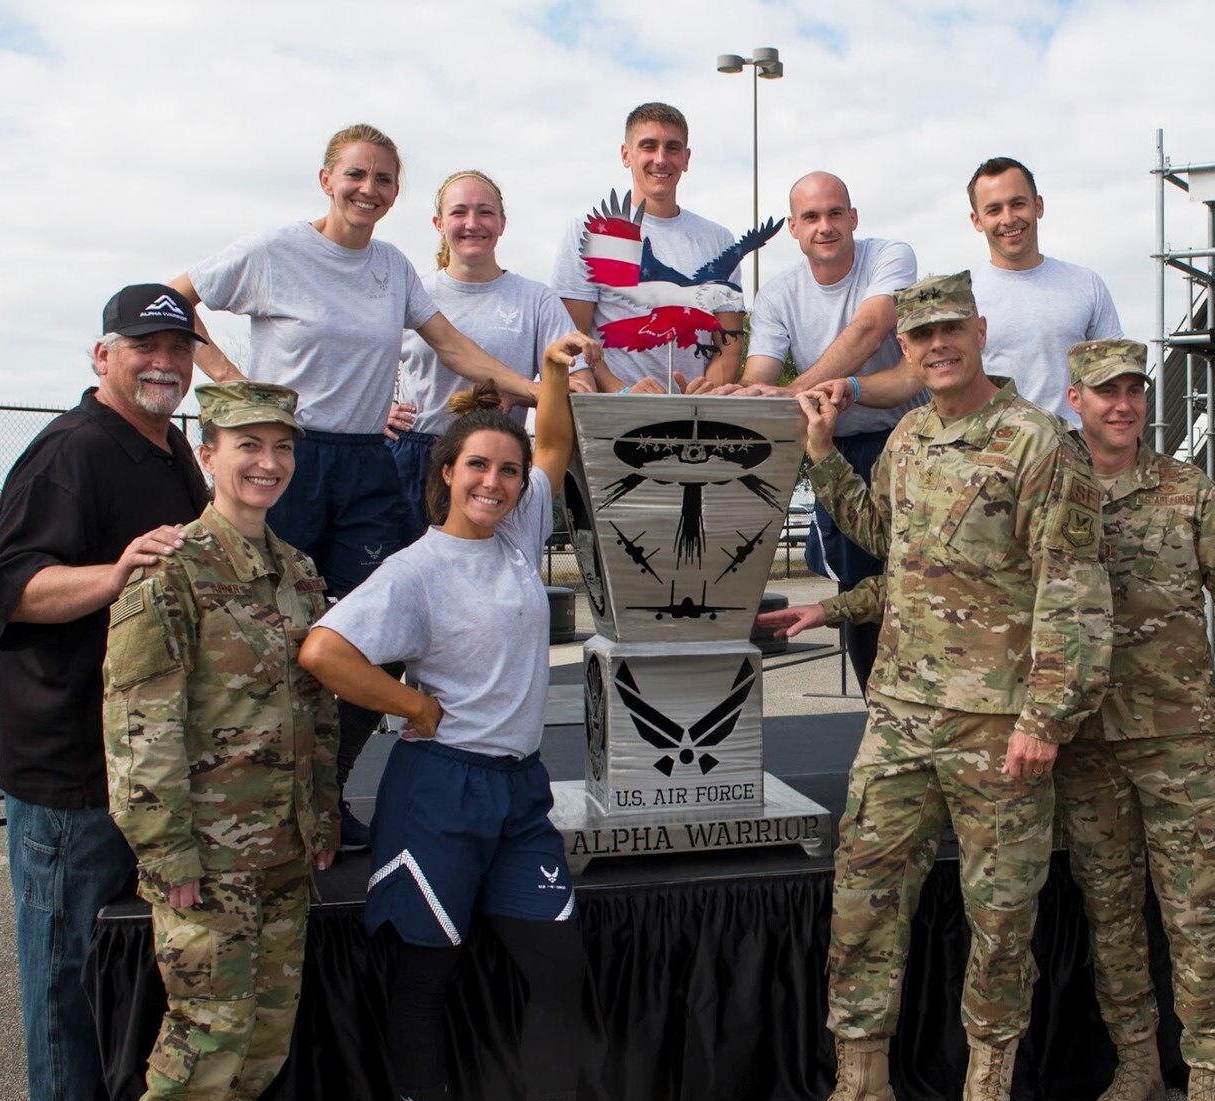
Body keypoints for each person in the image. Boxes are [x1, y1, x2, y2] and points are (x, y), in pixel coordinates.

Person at [756, 273, 1111, 1101]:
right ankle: (862, 1090)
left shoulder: (1039, 444)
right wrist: (822, 453)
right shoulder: (910, 434)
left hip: (1000, 729)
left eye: (951, 330)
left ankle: (985, 1092)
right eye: (920, 338)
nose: (937, 346)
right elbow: (892, 545)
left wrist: (1046, 716)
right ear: (903, 351)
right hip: (901, 718)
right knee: (862, 902)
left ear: (981, 331)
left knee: (1000, 914)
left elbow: (1072, 593)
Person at [298, 332, 652, 1101]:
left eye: (505, 468)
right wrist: (409, 709)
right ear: (445, 473)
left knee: (557, 967)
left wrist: (558, 373)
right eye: (477, 467)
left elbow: (556, 447)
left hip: (517, 791)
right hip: (437, 791)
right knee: (426, 979)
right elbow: (323, 650)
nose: (496, 481)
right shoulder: (415, 569)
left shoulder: (520, 528)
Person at [167, 124, 540, 854]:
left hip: (368, 463)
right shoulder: (274, 250)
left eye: (383, 180)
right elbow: (171, 300)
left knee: (377, 640)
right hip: (293, 460)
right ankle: (247, 803)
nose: (368, 190)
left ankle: (325, 792)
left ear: (397, 193)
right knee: (263, 638)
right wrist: (235, 384)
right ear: (326, 179)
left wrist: (539, 388)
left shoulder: (393, 267)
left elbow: (454, 348)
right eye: (355, 175)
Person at [103, 381, 339, 1101]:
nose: (266, 463)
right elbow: (138, 727)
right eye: (248, 445)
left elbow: (315, 710)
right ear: (209, 453)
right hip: (205, 857)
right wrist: (165, 851)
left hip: (282, 848)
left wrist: (318, 817)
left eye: (281, 447)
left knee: (266, 1033)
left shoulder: (299, 573)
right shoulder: (169, 575)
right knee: (206, 1027)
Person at [0, 283, 211, 1101]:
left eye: (178, 347)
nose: (164, 362)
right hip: (68, 764)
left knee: (122, 954)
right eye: (144, 346)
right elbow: (17, 589)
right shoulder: (70, 452)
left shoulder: (171, 453)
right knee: (64, 956)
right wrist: (117, 572)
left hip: (148, 760)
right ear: (101, 354)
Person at [1052, 338, 1215, 1101]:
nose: (1123, 405)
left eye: (1134, 391)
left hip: (1179, 738)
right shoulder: (1056, 491)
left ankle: (1211, 1084)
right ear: (1076, 399)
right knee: (1111, 913)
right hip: (1088, 741)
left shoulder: (1189, 492)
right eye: (1106, 392)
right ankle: (1137, 1064)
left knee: (1196, 911)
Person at [733, 171, 922, 689]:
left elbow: (870, 328)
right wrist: (731, 395)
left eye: (835, 213)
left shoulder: (890, 256)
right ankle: (877, 720)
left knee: (925, 577)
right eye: (811, 217)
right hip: (838, 451)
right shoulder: (777, 295)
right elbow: (759, 380)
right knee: (860, 595)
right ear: (793, 228)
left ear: (853, 217)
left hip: (909, 444)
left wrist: (795, 391)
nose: (826, 226)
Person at [845, 158, 1121, 424]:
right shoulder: (959, 298)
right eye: (994, 210)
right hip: (990, 462)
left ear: (1038, 206)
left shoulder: (1086, 285)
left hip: (1071, 461)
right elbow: (907, 379)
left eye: (1018, 204)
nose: (1009, 218)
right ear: (976, 220)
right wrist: (851, 388)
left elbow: (1115, 379)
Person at [391, 169, 583, 527]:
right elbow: (364, 367)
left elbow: (578, 387)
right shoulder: (411, 294)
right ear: (438, 223)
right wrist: (375, 417)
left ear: (502, 223)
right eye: (459, 212)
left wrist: (519, 395)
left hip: (495, 466)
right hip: (416, 460)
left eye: (485, 212)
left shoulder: (535, 300)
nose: (472, 223)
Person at [551, 101, 744, 392]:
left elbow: (729, 346)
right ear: (626, 154)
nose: (661, 158)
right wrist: (622, 393)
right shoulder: (590, 231)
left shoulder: (719, 240)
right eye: (648, 146)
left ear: (687, 158)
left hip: (695, 420)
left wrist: (705, 393)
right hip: (615, 420)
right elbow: (573, 338)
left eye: (673, 148)